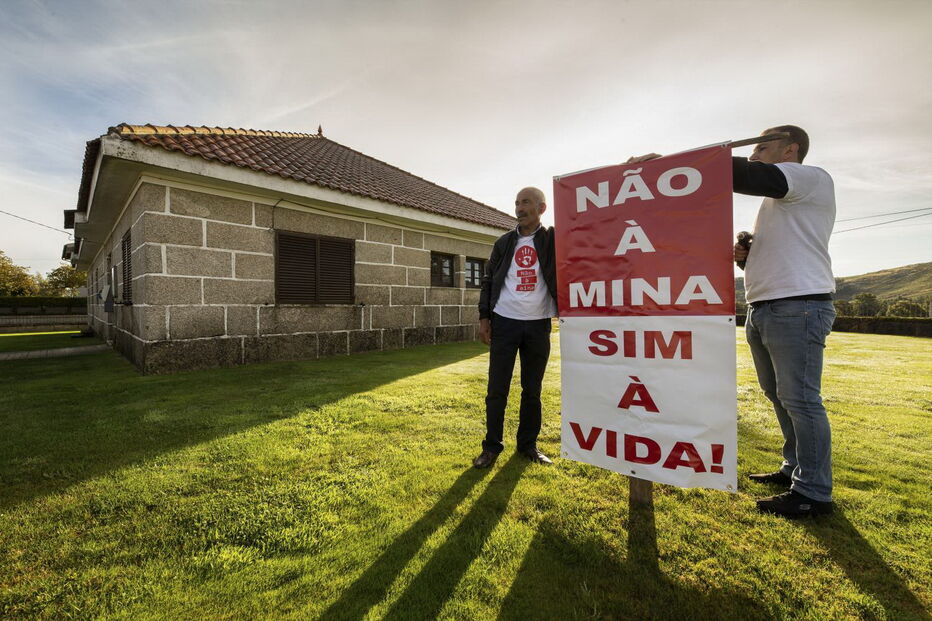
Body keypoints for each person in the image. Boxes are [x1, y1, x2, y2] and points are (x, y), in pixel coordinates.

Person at [629, 125, 837, 517]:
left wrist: (670, 164)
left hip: (798, 305)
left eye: (762, 147)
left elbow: (741, 173)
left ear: (791, 149)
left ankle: (813, 492)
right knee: (778, 395)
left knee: (801, 399)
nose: (755, 154)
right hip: (766, 306)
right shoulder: (779, 202)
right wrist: (746, 257)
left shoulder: (810, 177)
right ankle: (793, 468)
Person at [473, 187, 558, 469]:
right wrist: (485, 318)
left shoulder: (553, 240)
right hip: (504, 321)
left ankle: (528, 445)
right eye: (517, 203)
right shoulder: (504, 242)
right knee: (497, 389)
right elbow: (488, 281)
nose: (520, 208)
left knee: (532, 390)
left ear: (541, 208)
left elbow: (590, 231)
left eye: (526, 203)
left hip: (538, 324)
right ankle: (491, 447)